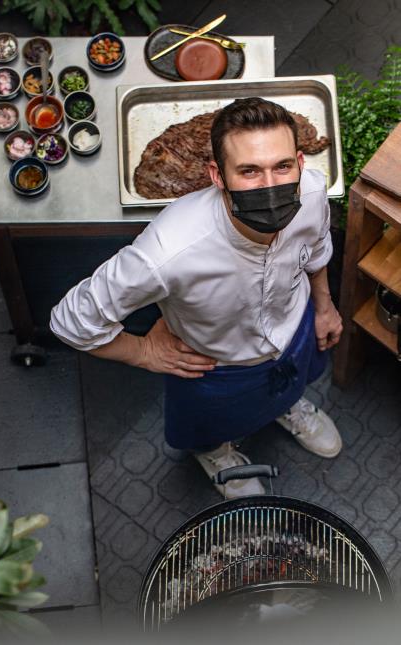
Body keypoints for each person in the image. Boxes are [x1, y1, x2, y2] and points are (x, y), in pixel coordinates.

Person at [50, 97, 343, 499]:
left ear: (299, 163)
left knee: (291, 384)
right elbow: (71, 320)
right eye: (249, 171)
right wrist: (142, 352)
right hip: (215, 363)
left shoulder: (311, 192)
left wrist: (324, 306)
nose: (271, 185)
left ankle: (286, 407)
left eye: (282, 167)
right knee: (208, 426)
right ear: (217, 175)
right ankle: (216, 453)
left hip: (295, 328)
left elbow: (317, 247)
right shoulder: (169, 250)